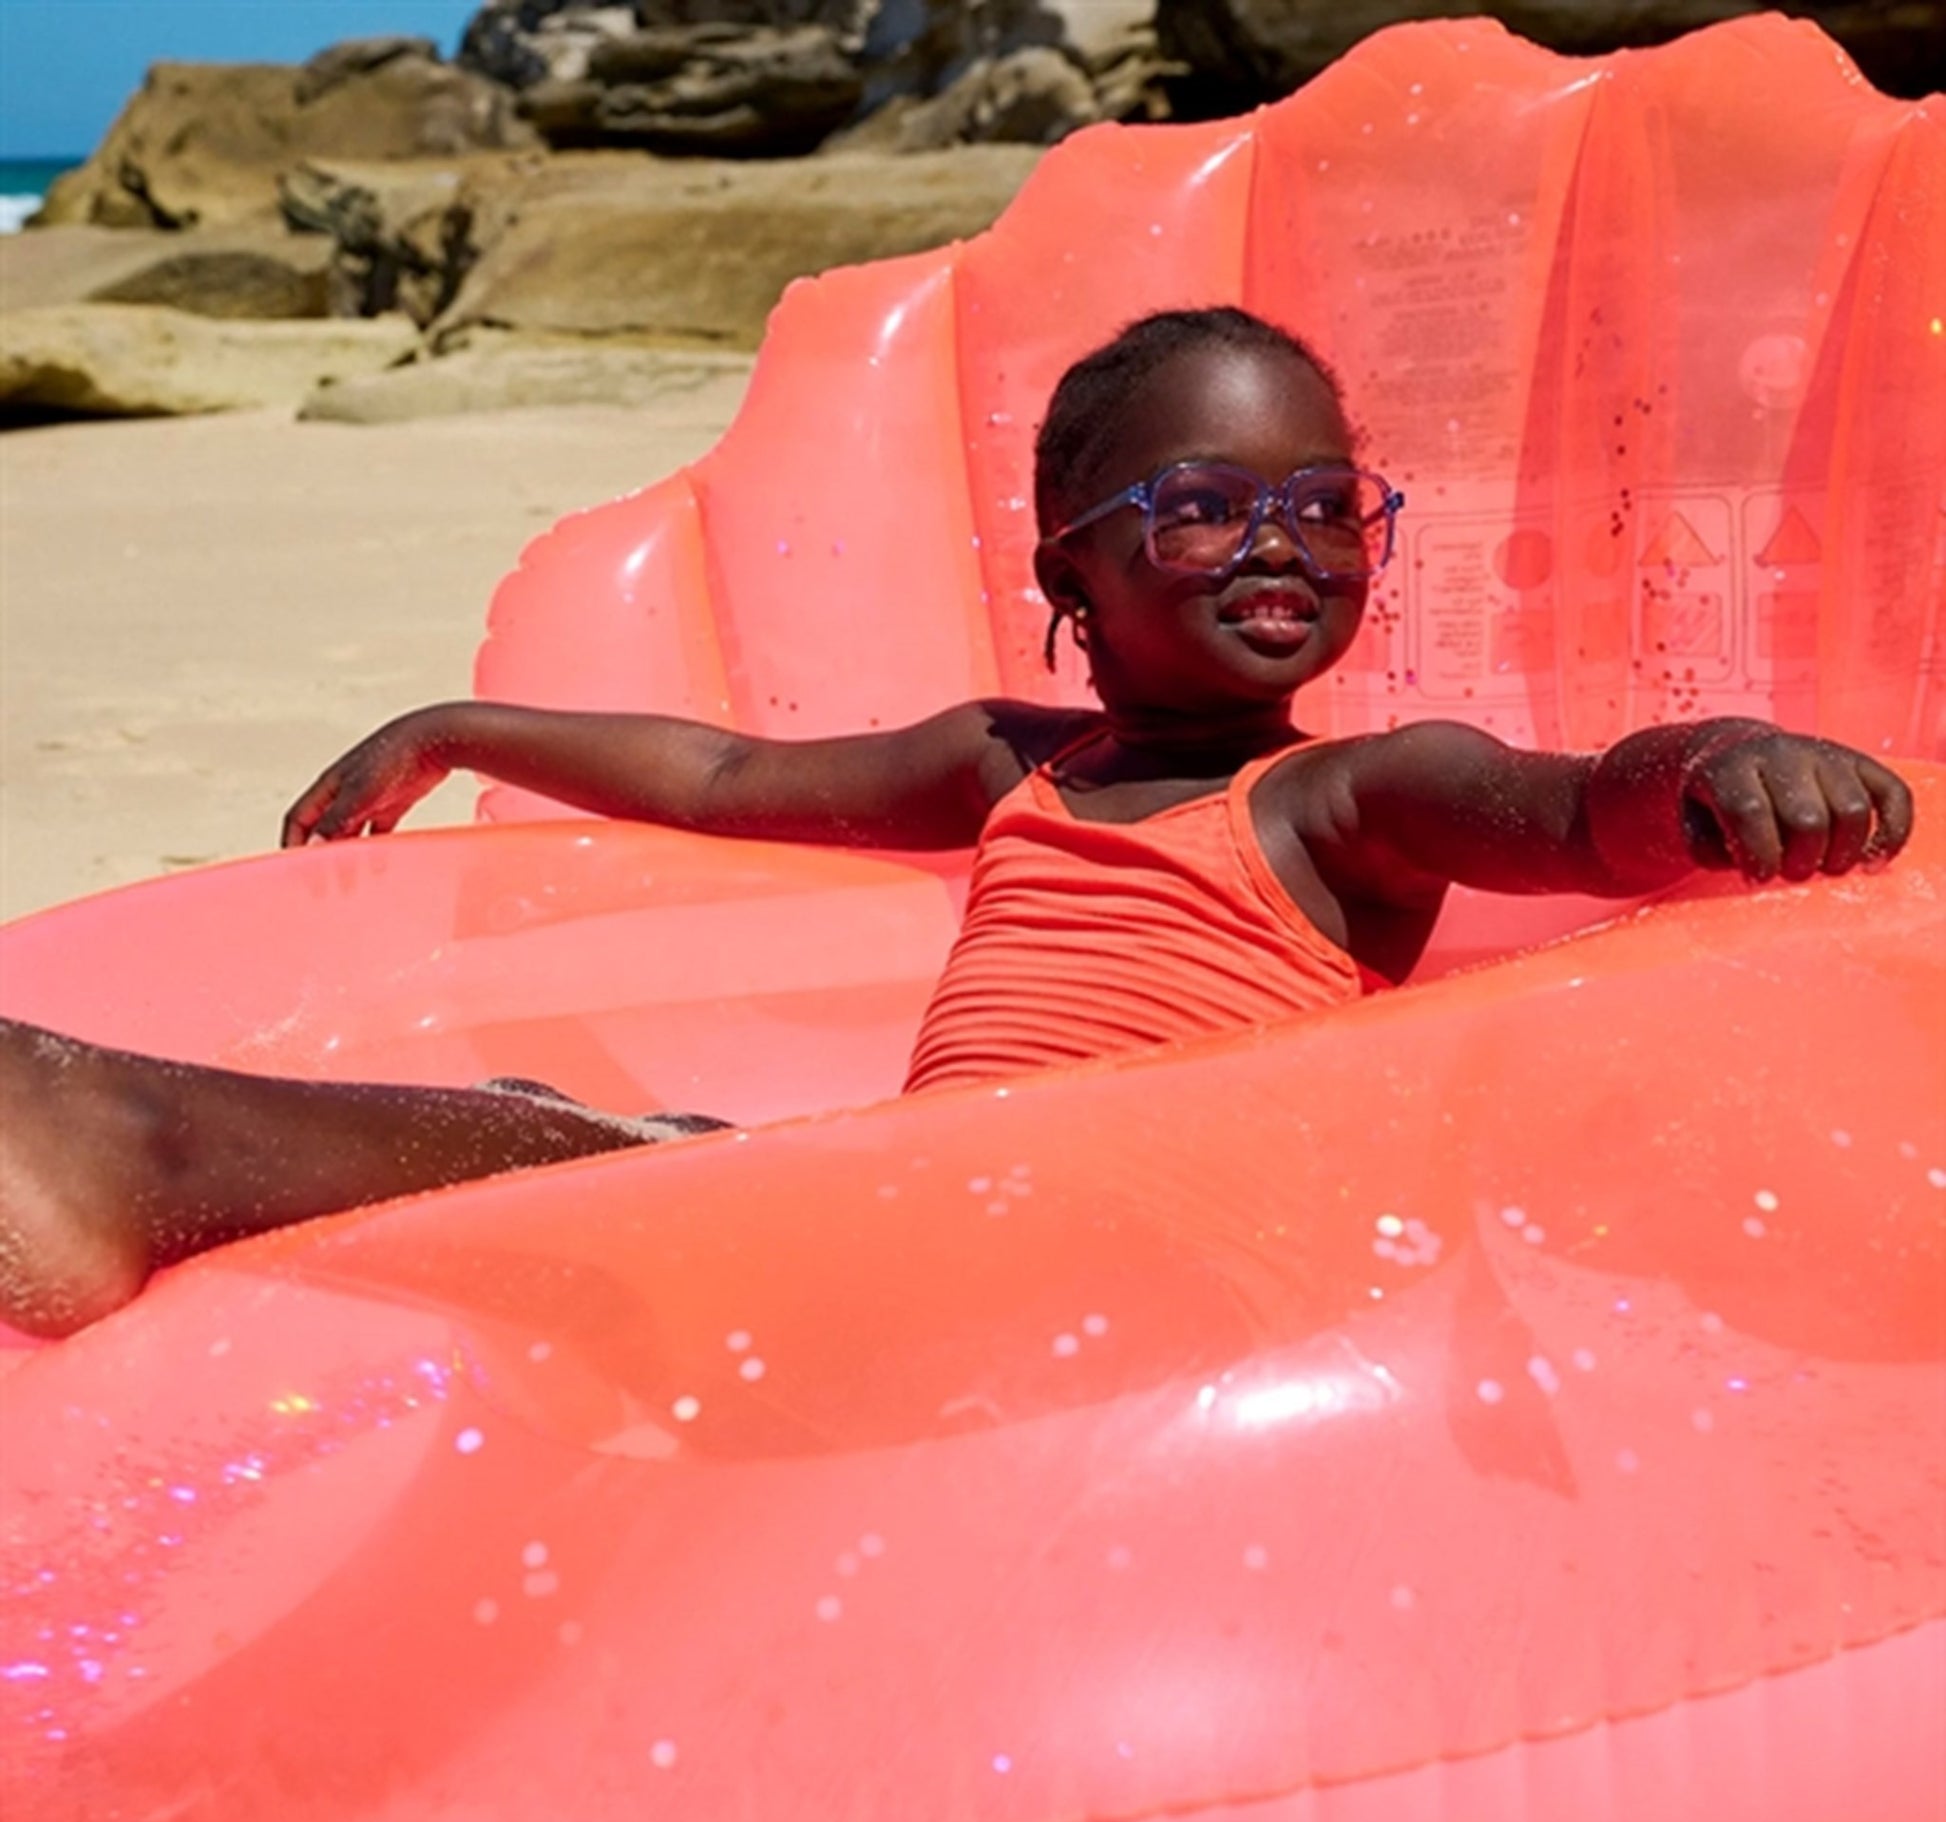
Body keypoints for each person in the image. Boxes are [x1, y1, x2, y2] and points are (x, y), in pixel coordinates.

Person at [0, 306, 1912, 1338]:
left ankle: (111, 1140)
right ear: (1066, 564)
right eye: (1198, 503)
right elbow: (727, 776)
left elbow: (1579, 818)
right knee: (597, 1149)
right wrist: (456, 721)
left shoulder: (1347, 791)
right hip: (930, 1203)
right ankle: (98, 1134)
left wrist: (1724, 754)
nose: (1278, 544)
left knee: (583, 1151)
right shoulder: (1018, 760)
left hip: (1126, 1239)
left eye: (1326, 503)